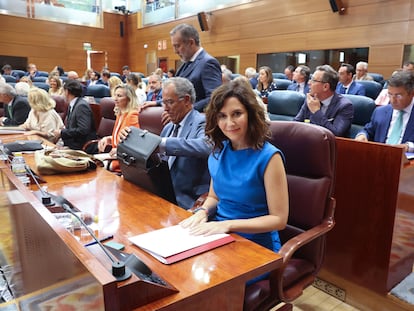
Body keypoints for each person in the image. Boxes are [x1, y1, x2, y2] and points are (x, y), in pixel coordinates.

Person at [180, 79, 288, 263]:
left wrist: (227, 225)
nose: (229, 123)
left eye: (236, 114)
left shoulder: (270, 157)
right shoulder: (217, 151)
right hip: (219, 233)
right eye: (222, 116)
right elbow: (214, 197)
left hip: (256, 245)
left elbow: (279, 219)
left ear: (251, 114)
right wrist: (203, 212)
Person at [120, 77, 211, 210]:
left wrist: (161, 144)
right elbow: (157, 162)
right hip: (159, 196)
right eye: (163, 103)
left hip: (187, 202)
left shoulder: (202, 122)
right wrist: (131, 139)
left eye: (170, 102)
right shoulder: (168, 128)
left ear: (186, 100)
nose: (165, 109)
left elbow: (205, 146)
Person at [355, 70, 414, 152]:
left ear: (411, 93)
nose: (393, 100)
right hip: (379, 158)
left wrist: (408, 147)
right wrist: (362, 135)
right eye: (390, 94)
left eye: (398, 95)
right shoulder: (380, 111)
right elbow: (367, 130)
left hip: (407, 161)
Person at [170, 23, 222, 112]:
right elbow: (176, 92)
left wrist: (186, 110)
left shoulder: (208, 63)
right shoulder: (186, 63)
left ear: (191, 43)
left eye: (177, 46)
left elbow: (215, 97)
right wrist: (158, 103)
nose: (175, 51)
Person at [294, 64, 354, 137]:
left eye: (313, 80)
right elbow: (295, 125)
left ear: (325, 87)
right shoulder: (310, 100)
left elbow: (335, 134)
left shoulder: (345, 106)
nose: (309, 83)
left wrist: (316, 112)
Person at [98, 84, 139, 172]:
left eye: (119, 96)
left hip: (122, 163)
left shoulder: (132, 115)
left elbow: (135, 144)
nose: (115, 99)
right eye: (115, 95)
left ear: (129, 99)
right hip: (114, 157)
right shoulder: (120, 114)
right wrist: (109, 138)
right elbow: (121, 137)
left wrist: (119, 150)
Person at [52, 80, 97, 150]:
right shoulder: (72, 104)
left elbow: (83, 130)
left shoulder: (81, 106)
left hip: (81, 146)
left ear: (67, 92)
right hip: (72, 143)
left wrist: (62, 132)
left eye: (63, 91)